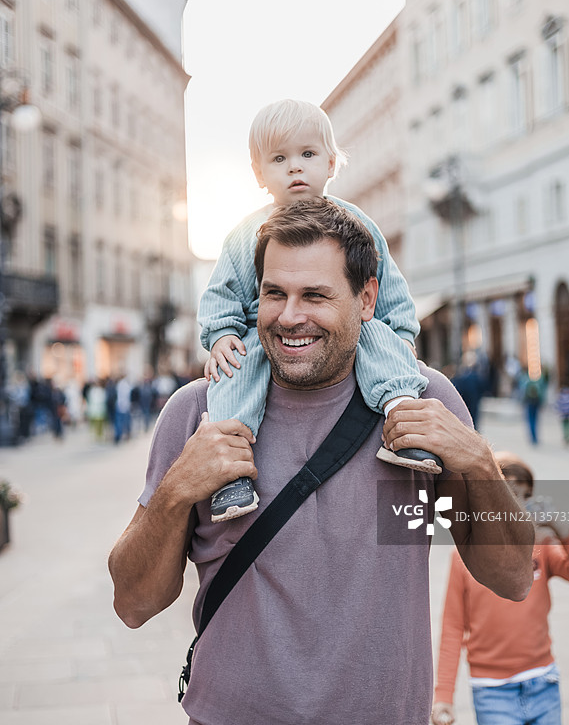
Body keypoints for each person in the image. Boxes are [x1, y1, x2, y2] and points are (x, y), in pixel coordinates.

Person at [108, 199, 533, 725]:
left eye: (315, 295)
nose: (289, 317)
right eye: (274, 294)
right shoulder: (201, 409)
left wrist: (480, 464)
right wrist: (176, 490)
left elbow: (513, 578)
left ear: (367, 298)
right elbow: (132, 603)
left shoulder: (424, 404)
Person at [199, 99, 439, 523]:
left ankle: (404, 420)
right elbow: (222, 292)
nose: (295, 167)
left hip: (352, 327)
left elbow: (389, 287)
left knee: (378, 342)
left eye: (307, 155)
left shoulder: (357, 224)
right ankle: (231, 470)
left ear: (331, 163)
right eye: (279, 158)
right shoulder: (243, 234)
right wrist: (221, 335)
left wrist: (400, 335)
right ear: (258, 173)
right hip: (265, 333)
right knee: (236, 370)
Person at [431, 452, 569, 725]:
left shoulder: (541, 548)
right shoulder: (462, 558)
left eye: (519, 497)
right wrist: (444, 696)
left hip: (544, 681)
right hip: (492, 690)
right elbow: (452, 628)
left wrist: (561, 529)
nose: (511, 507)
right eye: (502, 497)